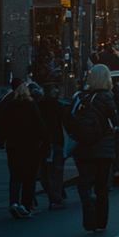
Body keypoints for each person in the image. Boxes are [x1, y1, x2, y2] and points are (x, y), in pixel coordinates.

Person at [71, 64, 119, 232]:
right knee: (102, 185)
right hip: (103, 148)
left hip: (83, 148)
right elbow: (116, 120)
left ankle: (88, 211)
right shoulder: (107, 96)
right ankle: (101, 221)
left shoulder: (79, 96)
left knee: (85, 182)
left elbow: (70, 120)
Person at [0, 80, 50, 219]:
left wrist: (1, 141)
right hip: (30, 146)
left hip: (13, 146)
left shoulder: (7, 105)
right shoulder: (30, 104)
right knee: (29, 177)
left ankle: (14, 203)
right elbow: (40, 125)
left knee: (15, 176)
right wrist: (46, 141)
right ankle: (25, 206)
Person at [36, 76, 68, 209]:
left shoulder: (39, 105)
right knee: (56, 170)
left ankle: (55, 194)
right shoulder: (59, 105)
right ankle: (56, 194)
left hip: (43, 142)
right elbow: (67, 124)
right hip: (55, 140)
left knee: (45, 171)